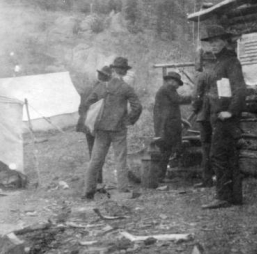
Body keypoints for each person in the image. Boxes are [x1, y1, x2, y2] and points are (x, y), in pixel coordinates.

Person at [82, 57, 142, 200]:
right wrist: (129, 119)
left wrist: (95, 117)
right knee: (120, 158)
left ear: (112, 70)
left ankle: (88, 191)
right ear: (123, 72)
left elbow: (88, 103)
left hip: (101, 128)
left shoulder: (101, 86)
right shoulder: (126, 87)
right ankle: (123, 190)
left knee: (96, 159)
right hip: (118, 128)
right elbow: (137, 107)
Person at [200, 26, 246, 210]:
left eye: (217, 41)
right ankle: (234, 197)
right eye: (211, 42)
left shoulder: (231, 62)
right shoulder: (218, 63)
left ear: (226, 42)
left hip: (225, 117)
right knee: (229, 156)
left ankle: (223, 196)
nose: (213, 45)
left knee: (218, 155)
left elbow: (240, 89)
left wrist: (231, 111)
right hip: (217, 116)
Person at [153, 71, 192, 183]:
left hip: (165, 125)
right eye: (176, 83)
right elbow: (178, 100)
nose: (177, 86)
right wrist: (195, 96)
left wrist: (182, 120)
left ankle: (162, 176)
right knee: (168, 150)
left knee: (168, 150)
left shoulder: (165, 89)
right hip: (167, 126)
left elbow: (168, 110)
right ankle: (161, 177)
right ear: (171, 80)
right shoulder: (168, 88)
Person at [76, 65, 112, 184]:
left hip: (87, 125)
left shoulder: (87, 89)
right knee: (99, 152)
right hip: (98, 125)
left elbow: (81, 109)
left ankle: (94, 179)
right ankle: (97, 179)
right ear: (107, 77)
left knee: (92, 151)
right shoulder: (105, 90)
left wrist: (87, 120)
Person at [192, 49, 216, 188]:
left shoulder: (202, 76)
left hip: (204, 115)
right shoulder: (220, 74)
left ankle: (207, 179)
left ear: (204, 62)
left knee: (206, 147)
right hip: (218, 113)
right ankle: (217, 177)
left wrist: (195, 109)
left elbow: (196, 96)